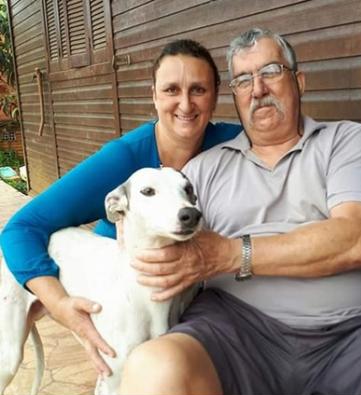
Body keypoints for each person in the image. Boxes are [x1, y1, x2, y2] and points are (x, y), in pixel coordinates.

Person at [118, 28, 361, 395]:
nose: (258, 89)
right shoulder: (201, 171)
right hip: (229, 333)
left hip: (352, 333)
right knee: (152, 370)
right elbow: (149, 239)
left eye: (271, 71)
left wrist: (231, 253)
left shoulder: (346, 142)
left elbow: (358, 240)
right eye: (243, 80)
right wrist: (84, 300)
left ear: (299, 81)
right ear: (236, 96)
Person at [0, 39, 242, 377]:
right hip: (123, 298)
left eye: (198, 89)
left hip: (185, 298)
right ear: (154, 95)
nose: (185, 103)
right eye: (171, 89)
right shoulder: (124, 159)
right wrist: (61, 304)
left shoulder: (235, 143)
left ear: (215, 96)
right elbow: (20, 229)